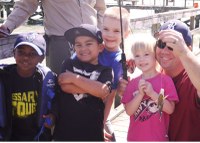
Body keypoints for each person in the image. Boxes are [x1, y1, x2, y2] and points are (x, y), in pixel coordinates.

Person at [0, 0, 106, 74]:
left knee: (94, 89)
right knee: (61, 90)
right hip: (61, 45)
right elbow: (26, 5)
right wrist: (7, 26)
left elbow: (101, 9)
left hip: (93, 42)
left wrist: (101, 35)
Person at [48, 24, 113, 141]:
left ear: (100, 47)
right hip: (64, 132)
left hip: (92, 133)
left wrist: (73, 78)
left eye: (88, 44)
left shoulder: (106, 70)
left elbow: (103, 91)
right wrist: (94, 88)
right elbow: (64, 86)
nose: (83, 48)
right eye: (78, 45)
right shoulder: (68, 63)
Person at [121, 33, 179, 141]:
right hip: (135, 138)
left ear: (155, 56)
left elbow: (170, 109)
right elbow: (129, 111)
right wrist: (140, 94)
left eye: (146, 54)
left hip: (158, 138)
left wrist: (152, 94)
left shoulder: (165, 80)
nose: (141, 59)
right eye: (137, 56)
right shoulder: (133, 83)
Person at [0, 32, 57, 141]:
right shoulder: (3, 77)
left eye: (32, 54)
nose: (26, 57)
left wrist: (53, 116)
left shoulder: (48, 79)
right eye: (21, 52)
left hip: (38, 137)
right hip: (8, 137)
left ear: (42, 58)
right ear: (14, 53)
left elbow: (56, 104)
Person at [155, 19, 200, 141]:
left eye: (172, 46)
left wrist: (183, 52)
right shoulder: (154, 76)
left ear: (188, 50)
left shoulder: (193, 80)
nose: (164, 51)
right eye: (161, 44)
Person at [99, 6, 131, 141]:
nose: (110, 35)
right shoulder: (94, 48)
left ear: (126, 34)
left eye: (117, 31)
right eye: (106, 29)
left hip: (101, 114)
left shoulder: (119, 61)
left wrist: (101, 124)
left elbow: (111, 97)